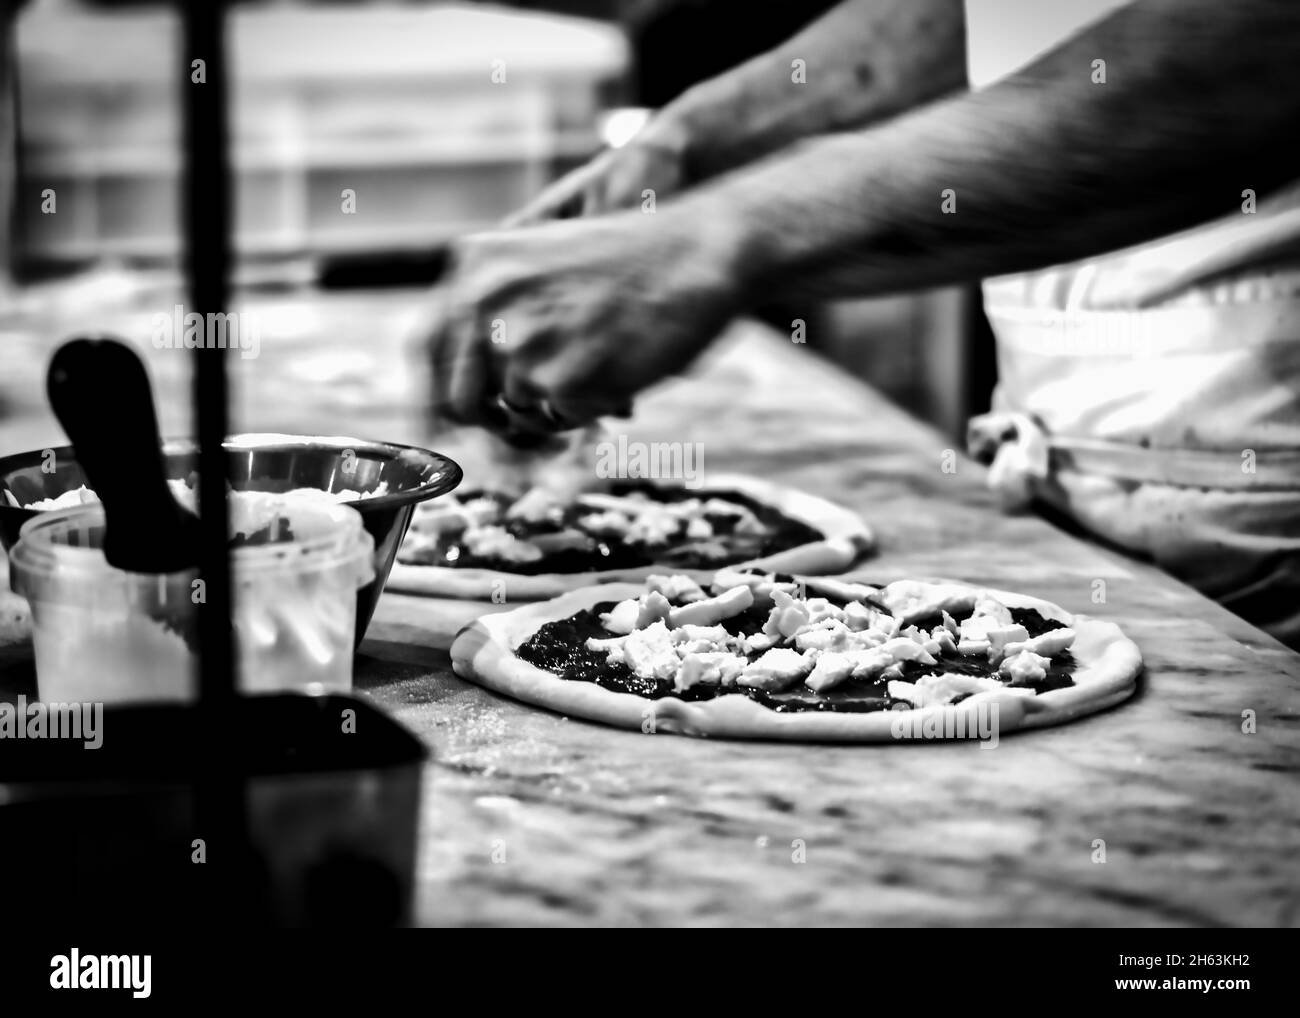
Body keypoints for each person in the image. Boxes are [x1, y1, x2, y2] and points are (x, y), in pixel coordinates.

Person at [421, 0, 1300, 646]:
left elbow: (1261, 46)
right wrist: (692, 147)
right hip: (1074, 473)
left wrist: (724, 235)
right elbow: (998, 13)